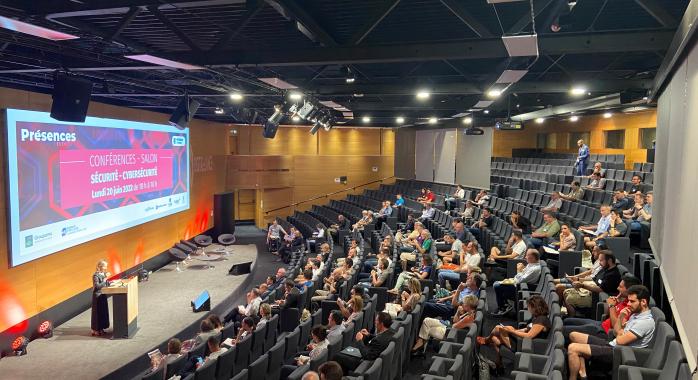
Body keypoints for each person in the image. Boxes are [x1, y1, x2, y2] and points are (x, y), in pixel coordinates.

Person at [567, 285, 655, 380]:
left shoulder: (644, 322)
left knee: (573, 348)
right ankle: (583, 373)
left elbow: (620, 340)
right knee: (574, 335)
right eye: (628, 300)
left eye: (632, 301)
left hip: (618, 353)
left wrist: (620, 333)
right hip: (612, 344)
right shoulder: (636, 315)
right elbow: (616, 331)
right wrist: (621, 317)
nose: (628, 304)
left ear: (643, 302)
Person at [479, 295, 551, 369]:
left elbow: (529, 336)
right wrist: (512, 330)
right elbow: (526, 329)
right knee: (495, 338)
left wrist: (512, 332)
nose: (528, 308)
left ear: (535, 307)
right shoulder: (536, 317)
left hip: (525, 345)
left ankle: (486, 340)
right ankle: (499, 364)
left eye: (529, 306)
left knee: (498, 328)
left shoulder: (541, 320)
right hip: (523, 341)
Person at [563, 275, 641, 341]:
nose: (617, 288)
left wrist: (612, 306)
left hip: (604, 332)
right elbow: (607, 315)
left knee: (563, 331)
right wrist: (612, 304)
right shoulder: (624, 300)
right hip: (601, 324)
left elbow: (615, 327)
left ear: (629, 290)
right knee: (567, 320)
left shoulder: (631, 306)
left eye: (620, 287)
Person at [560, 251, 621, 318]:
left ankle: (571, 318)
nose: (600, 263)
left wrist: (582, 285)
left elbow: (600, 289)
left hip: (596, 298)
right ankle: (571, 316)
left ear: (609, 261)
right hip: (590, 291)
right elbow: (594, 279)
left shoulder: (613, 275)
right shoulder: (604, 269)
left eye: (601, 260)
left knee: (569, 299)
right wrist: (578, 279)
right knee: (565, 292)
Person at [411, 294, 478, 354]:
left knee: (426, 329)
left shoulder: (469, 317)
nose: (462, 304)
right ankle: (421, 345)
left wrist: (459, 316)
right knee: (426, 320)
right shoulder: (468, 313)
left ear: (468, 306)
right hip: (449, 327)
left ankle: (420, 345)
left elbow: (454, 326)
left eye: (464, 304)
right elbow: (455, 321)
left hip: (449, 333)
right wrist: (458, 312)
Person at [492, 249, 542, 316]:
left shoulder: (534, 269)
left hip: (522, 288)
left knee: (496, 285)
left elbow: (521, 280)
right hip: (518, 284)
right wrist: (515, 277)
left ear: (532, 258)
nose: (525, 257)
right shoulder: (531, 265)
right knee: (496, 282)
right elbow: (519, 277)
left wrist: (519, 270)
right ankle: (505, 305)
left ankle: (503, 307)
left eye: (527, 255)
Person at [91, 259, 111, 336]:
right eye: (105, 266)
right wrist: (105, 279)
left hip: (103, 294)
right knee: (97, 314)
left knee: (103, 313)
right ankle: (96, 329)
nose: (106, 268)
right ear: (101, 266)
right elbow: (97, 286)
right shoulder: (95, 275)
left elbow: (105, 283)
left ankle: (101, 328)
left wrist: (109, 282)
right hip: (97, 296)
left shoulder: (103, 274)